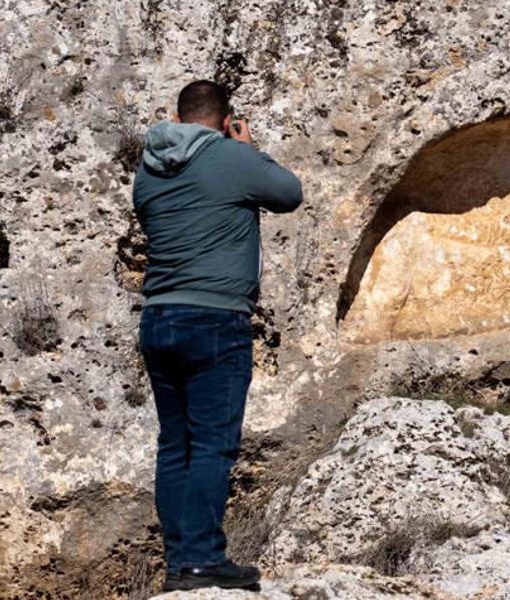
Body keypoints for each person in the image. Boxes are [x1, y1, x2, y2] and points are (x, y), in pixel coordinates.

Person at [132, 80, 302, 592]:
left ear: (178, 116)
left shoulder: (148, 169)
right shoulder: (231, 157)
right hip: (214, 319)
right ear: (225, 118)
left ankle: (180, 562)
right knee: (212, 445)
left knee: (175, 446)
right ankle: (204, 559)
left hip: (158, 318)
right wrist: (246, 148)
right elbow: (288, 193)